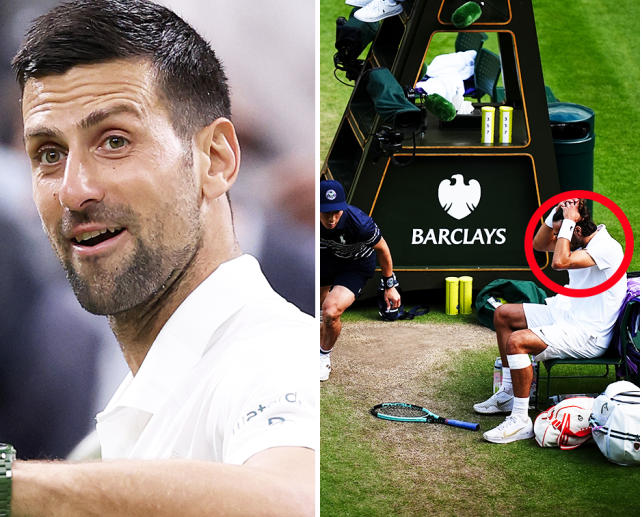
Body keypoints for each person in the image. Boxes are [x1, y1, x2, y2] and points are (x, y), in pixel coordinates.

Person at [8, 1, 317, 515]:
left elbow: (299, 500)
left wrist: (9, 486)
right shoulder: (111, 438)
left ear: (215, 159)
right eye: (48, 153)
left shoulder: (276, 359)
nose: (73, 189)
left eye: (114, 140)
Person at [474, 199, 627, 443]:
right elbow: (539, 244)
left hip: (587, 334)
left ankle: (521, 420)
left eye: (561, 232)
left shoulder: (607, 248)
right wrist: (556, 215)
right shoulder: (576, 237)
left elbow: (560, 262)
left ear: (577, 229)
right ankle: (508, 393)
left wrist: (566, 222)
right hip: (566, 314)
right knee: (502, 314)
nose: (555, 239)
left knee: (517, 342)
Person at [319, 178, 401, 381]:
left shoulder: (360, 223)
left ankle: (322, 357)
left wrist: (389, 285)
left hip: (355, 265)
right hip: (326, 259)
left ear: (343, 208)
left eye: (336, 212)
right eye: (325, 212)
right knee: (316, 312)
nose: (331, 219)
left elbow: (383, 250)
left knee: (330, 312)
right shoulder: (306, 217)